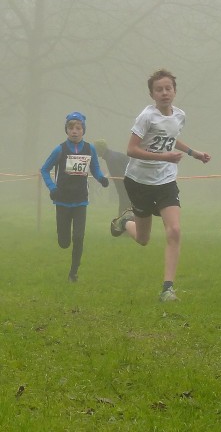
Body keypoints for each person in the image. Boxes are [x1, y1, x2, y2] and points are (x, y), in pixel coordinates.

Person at [109, 69, 211, 302]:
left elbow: (170, 137)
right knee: (143, 239)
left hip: (166, 181)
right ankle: (127, 222)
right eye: (159, 89)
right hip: (139, 181)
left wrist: (194, 153)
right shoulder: (146, 117)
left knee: (174, 230)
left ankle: (167, 289)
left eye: (168, 88)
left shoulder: (179, 116)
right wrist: (164, 157)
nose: (164, 93)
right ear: (151, 94)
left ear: (174, 91)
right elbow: (131, 149)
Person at [40, 112, 110, 282]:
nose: (74, 131)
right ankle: (63, 239)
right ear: (67, 130)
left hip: (80, 201)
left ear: (83, 130)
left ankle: (73, 273)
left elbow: (95, 168)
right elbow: (44, 169)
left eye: (78, 128)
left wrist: (101, 178)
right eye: (71, 128)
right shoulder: (60, 149)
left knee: (78, 237)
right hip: (62, 200)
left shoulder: (89, 149)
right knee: (64, 242)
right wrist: (52, 187)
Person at [94, 139, 132, 216]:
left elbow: (119, 177)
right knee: (124, 204)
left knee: (125, 203)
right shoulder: (110, 155)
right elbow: (116, 172)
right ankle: (122, 219)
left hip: (127, 185)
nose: (95, 152)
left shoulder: (111, 159)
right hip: (127, 183)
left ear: (100, 149)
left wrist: (121, 190)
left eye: (95, 150)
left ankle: (124, 221)